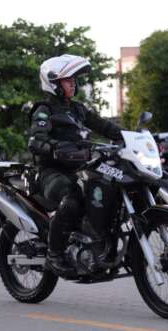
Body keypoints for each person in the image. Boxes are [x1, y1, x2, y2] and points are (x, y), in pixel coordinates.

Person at [28, 54, 123, 274]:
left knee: (111, 191)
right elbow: (36, 140)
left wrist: (132, 136)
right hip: (52, 172)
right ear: (53, 83)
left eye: (74, 80)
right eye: (68, 80)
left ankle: (101, 245)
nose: (73, 84)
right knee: (72, 200)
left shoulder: (79, 109)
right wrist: (54, 147)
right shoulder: (44, 109)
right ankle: (55, 254)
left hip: (82, 169)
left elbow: (106, 127)